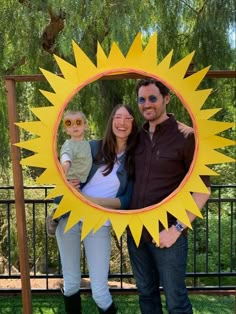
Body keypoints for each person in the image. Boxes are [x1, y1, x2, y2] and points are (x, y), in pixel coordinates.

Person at [127, 78, 211, 314]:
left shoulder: (187, 136)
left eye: (152, 98)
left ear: (166, 99)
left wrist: (176, 230)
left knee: (176, 301)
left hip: (168, 233)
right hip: (137, 233)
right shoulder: (137, 138)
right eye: (142, 100)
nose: (147, 104)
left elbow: (203, 190)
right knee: (146, 296)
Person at [56, 104, 138, 313]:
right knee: (71, 283)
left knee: (100, 291)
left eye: (127, 118)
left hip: (99, 222)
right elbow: (67, 156)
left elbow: (126, 200)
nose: (122, 122)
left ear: (133, 124)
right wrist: (67, 181)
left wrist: (89, 200)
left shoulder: (136, 159)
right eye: (117, 117)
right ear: (111, 122)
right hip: (70, 218)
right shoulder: (93, 147)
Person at [46, 110, 92, 236]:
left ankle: (60, 215)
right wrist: (65, 166)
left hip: (81, 182)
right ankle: (55, 216)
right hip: (71, 182)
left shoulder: (86, 144)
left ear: (85, 125)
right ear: (66, 130)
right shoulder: (69, 145)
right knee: (75, 205)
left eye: (78, 122)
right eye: (69, 123)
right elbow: (66, 156)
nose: (74, 126)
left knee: (79, 206)